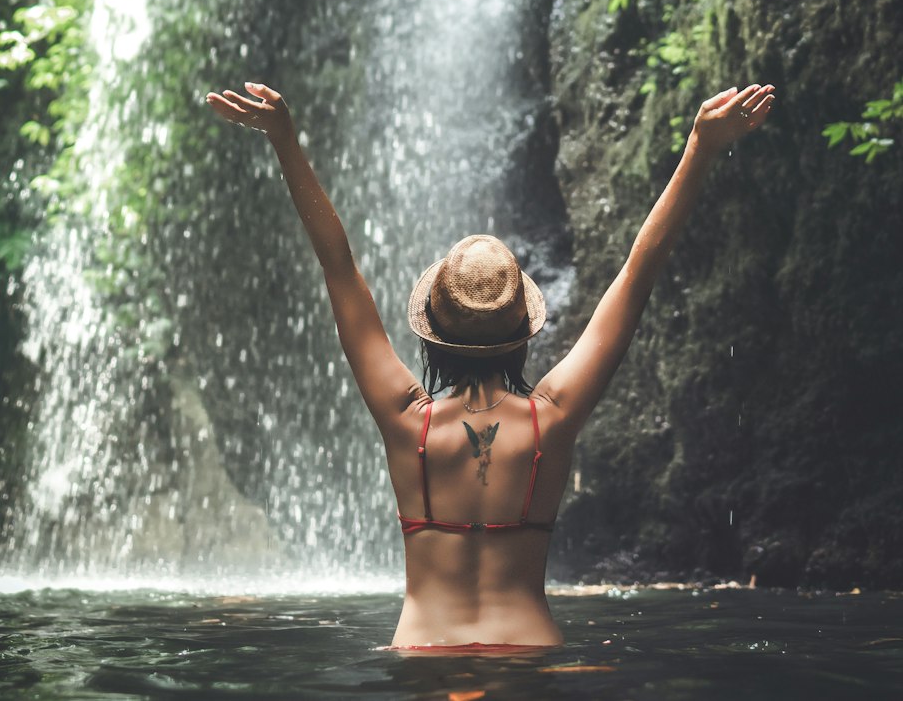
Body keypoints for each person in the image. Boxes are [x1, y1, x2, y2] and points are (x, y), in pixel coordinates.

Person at [206, 78, 775, 650]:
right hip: (529, 653)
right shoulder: (552, 418)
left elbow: (339, 265)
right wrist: (700, 147)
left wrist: (285, 141)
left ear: (431, 336)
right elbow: (636, 274)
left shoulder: (408, 421)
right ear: (522, 336)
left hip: (425, 656)